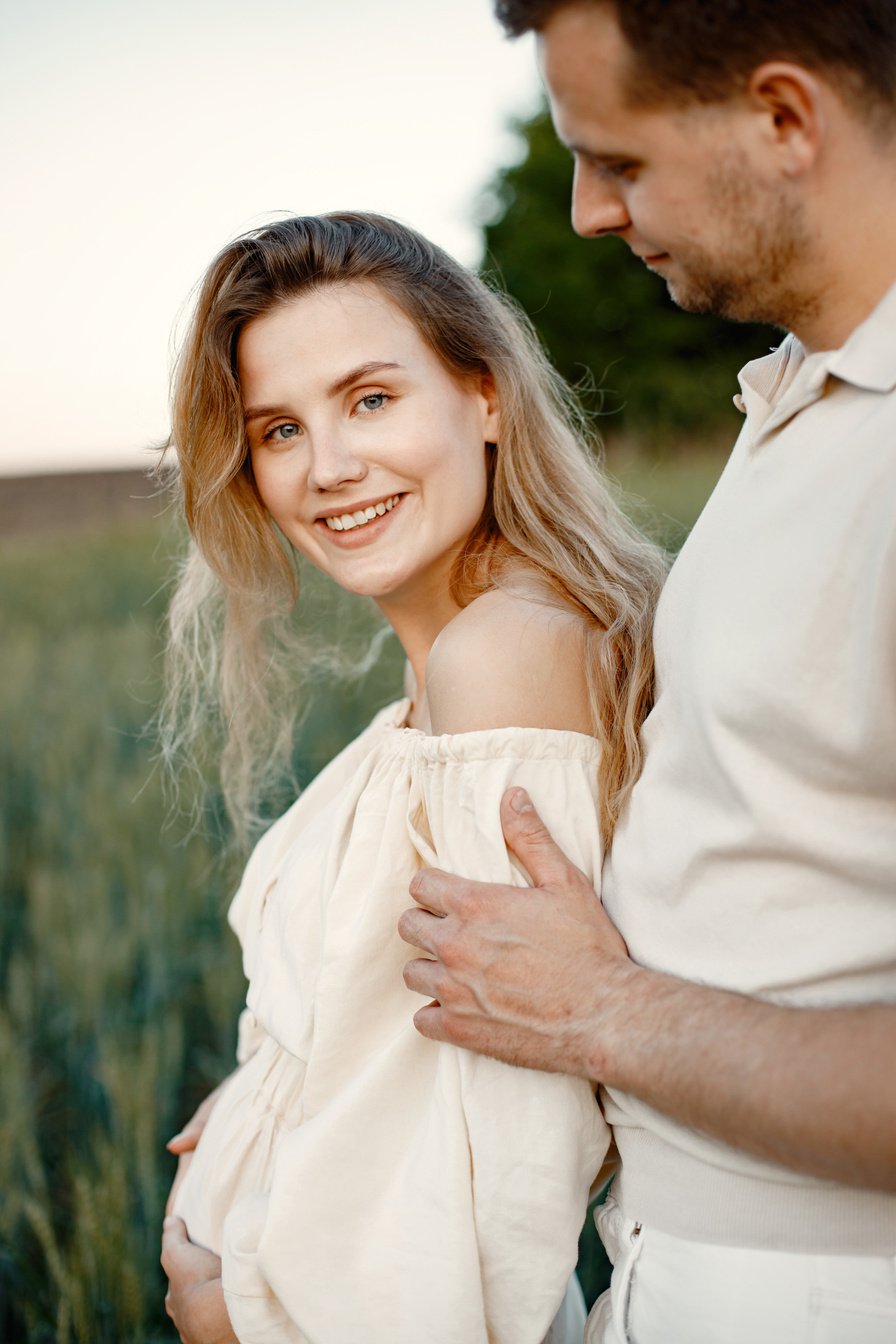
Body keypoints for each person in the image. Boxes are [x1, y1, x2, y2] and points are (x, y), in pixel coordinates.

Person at [398, 2, 896, 1340]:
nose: (584, 214)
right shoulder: (810, 389)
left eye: (616, 159)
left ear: (785, 120)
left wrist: (602, 1011)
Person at [157, 211, 666, 1343]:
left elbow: (505, 1149)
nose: (328, 469)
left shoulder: (502, 659)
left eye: (370, 400)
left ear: (483, 396)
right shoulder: (457, 657)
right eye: (279, 429)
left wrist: (241, 1316)